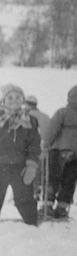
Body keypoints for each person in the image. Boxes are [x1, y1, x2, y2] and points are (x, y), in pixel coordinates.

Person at [41, 83, 77, 221]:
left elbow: (52, 129)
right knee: (69, 180)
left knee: (53, 178)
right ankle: (62, 208)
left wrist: (46, 143)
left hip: (58, 150)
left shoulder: (62, 112)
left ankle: (47, 206)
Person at [1, 84, 41, 226]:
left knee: (24, 199)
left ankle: (32, 225)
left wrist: (31, 164)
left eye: (18, 97)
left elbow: (34, 144)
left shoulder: (30, 121)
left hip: (20, 167)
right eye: (10, 97)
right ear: (3, 101)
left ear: (23, 100)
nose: (14, 100)